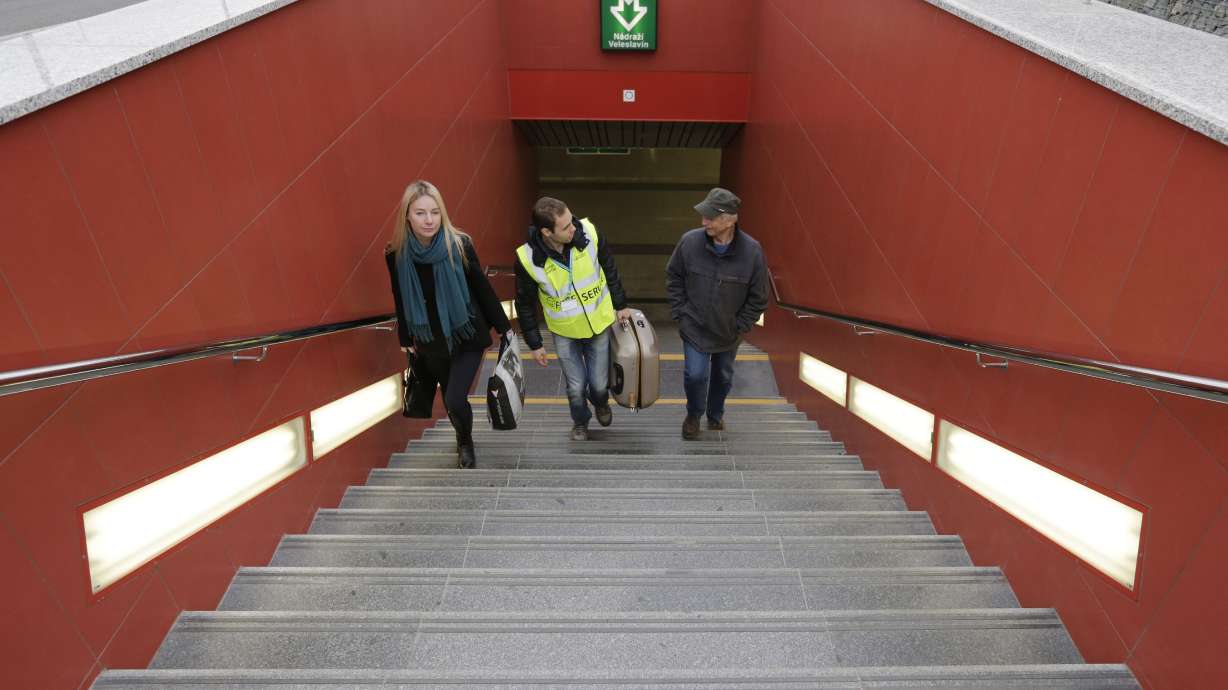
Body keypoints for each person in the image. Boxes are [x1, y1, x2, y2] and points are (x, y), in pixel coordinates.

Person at [385, 180, 511, 469]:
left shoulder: (459, 244)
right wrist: (405, 335)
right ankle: (462, 435)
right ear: (407, 216)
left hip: (465, 333)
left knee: (455, 398)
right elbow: (400, 296)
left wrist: (503, 326)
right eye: (420, 213)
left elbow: (481, 287)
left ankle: (465, 444)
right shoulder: (396, 255)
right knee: (448, 397)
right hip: (431, 341)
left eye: (435, 212)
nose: (429, 220)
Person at [514, 197, 634, 441]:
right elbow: (524, 303)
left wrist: (621, 304)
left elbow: (609, 267)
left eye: (572, 221)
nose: (574, 228)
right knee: (576, 387)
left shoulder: (589, 233)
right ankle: (580, 422)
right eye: (566, 227)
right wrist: (535, 343)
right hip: (564, 331)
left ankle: (601, 402)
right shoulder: (527, 259)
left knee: (599, 385)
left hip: (598, 324)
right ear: (547, 232)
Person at [666, 187, 769, 440]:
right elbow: (674, 276)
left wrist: (740, 325)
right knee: (695, 375)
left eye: (711, 217)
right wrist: (681, 312)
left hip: (728, 332)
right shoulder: (689, 242)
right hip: (694, 327)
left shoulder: (752, 252)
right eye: (704, 216)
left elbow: (759, 297)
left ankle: (715, 414)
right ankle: (693, 415)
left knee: (722, 377)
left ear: (730, 219)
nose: (704, 222)